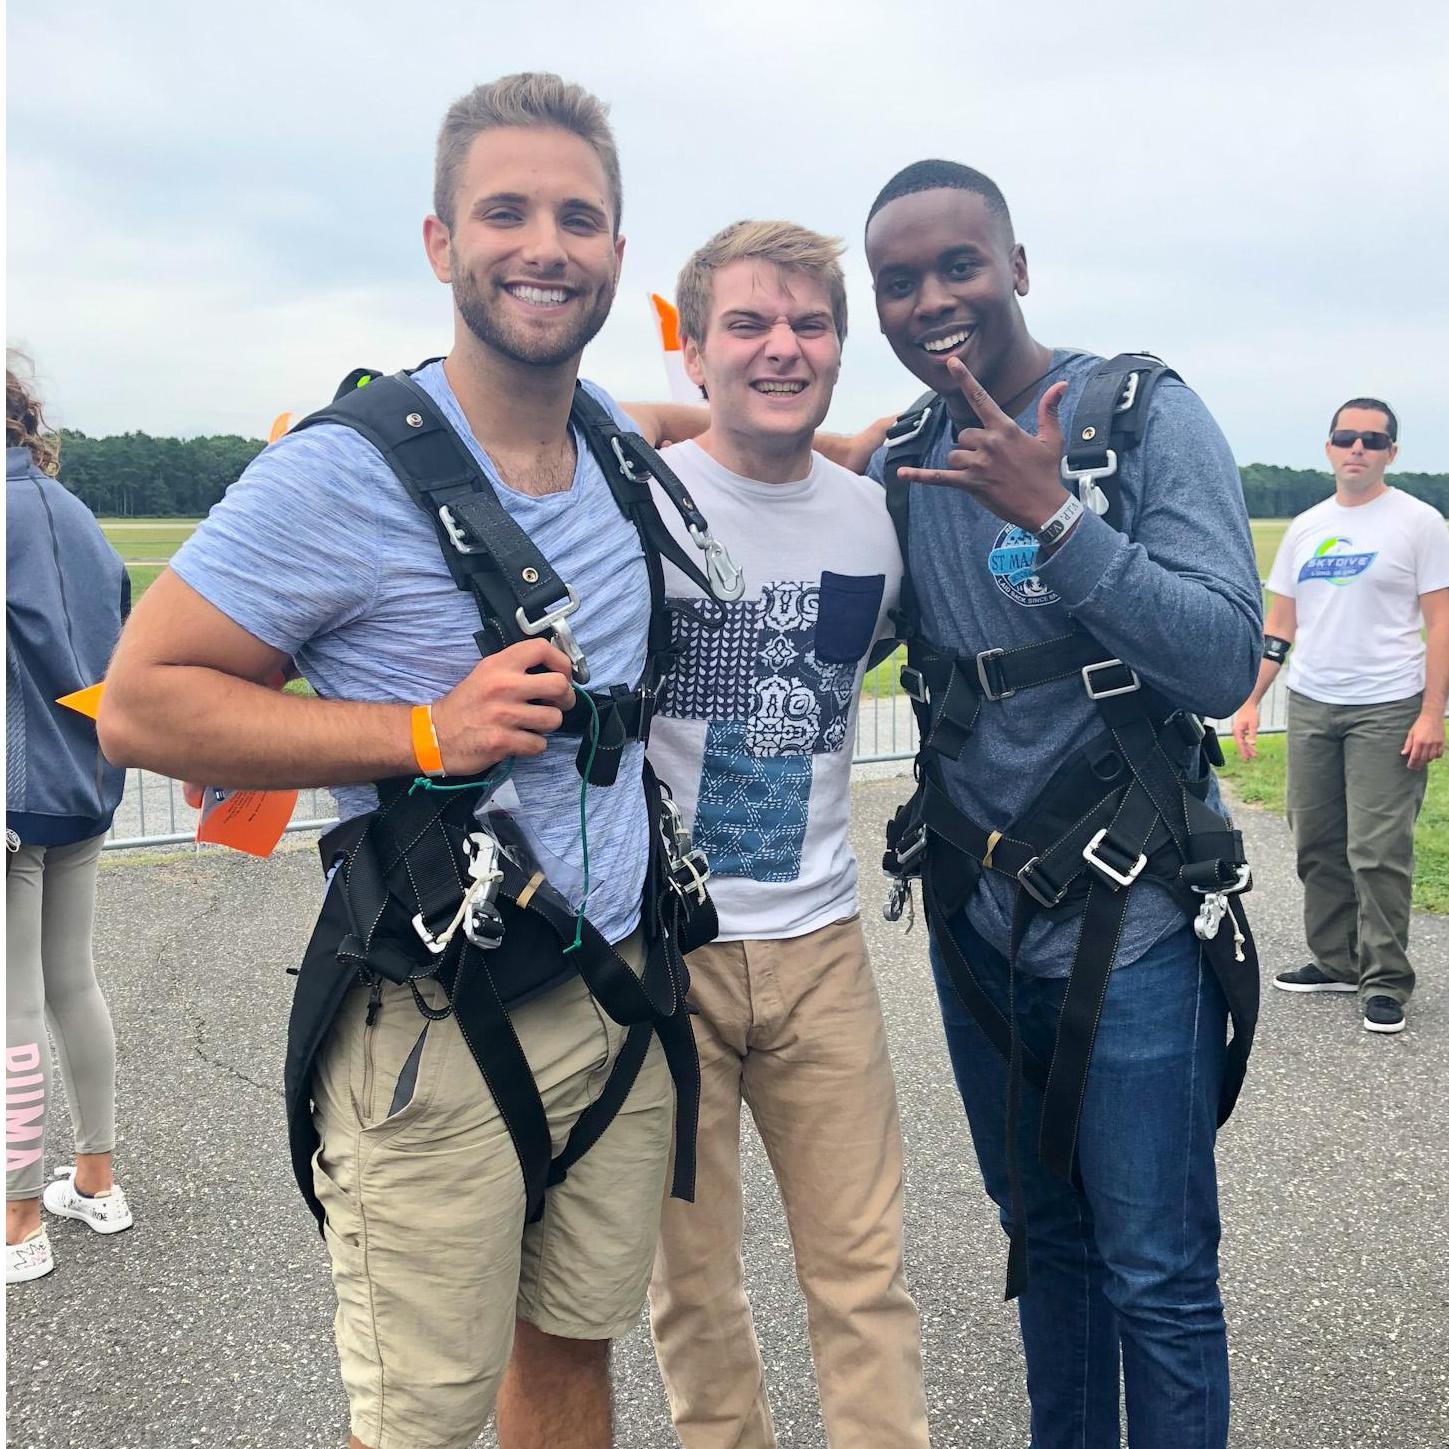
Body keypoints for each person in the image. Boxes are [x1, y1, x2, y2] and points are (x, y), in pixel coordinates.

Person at [98, 74, 729, 1449]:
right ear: (441, 242)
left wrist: (853, 441)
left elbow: (681, 420)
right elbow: (141, 704)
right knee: (420, 1421)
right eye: (505, 213)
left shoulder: (610, 439)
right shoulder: (339, 476)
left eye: (578, 218)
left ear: (618, 252)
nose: (544, 246)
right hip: (437, 1017)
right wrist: (424, 733)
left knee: (572, 1347)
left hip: (620, 984)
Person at [863, 161, 1263, 1449]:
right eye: (899, 283)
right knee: (1043, 1239)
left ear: (1018, 266)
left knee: (1158, 1271)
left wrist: (1055, 514)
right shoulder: (905, 461)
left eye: (960, 265)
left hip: (1134, 922)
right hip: (978, 923)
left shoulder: (1137, 415)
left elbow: (1220, 660)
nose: (933, 300)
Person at [642, 221, 928, 1449]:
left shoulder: (872, 519)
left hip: (821, 946)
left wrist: (846, 451)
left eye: (810, 325)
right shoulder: (641, 496)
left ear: (840, 348)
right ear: (694, 351)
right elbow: (582, 412)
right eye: (748, 323)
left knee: (864, 1272)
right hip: (669, 948)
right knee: (692, 1285)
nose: (782, 347)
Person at [1234, 399, 1448, 1034]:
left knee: (1377, 850)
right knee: (1317, 841)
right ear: (1328, 448)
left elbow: (1441, 622)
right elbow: (1280, 627)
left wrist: (1432, 712)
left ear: (1391, 453)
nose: (1358, 448)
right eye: (1347, 437)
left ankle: (1385, 980)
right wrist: (1251, 699)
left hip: (1388, 704)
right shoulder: (1307, 526)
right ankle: (1337, 961)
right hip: (1312, 703)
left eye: (1373, 440)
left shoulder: (1418, 522)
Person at [6, 357, 135, 1285]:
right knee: (70, 984)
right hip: (86, 782)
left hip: (14, 790)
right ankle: (95, 1177)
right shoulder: (76, 514)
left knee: (12, 1005)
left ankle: (17, 1217)